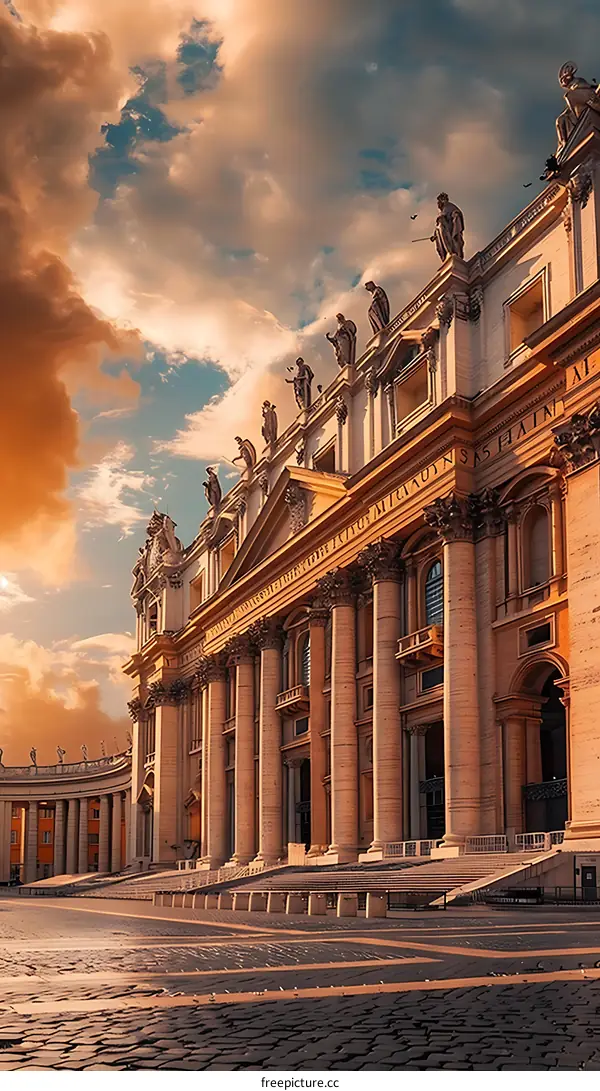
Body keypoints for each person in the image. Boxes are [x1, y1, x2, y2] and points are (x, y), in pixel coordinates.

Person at [556, 62, 600, 150]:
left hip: (586, 97)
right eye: (562, 79)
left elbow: (587, 88)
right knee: (560, 120)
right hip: (578, 103)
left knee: (569, 96)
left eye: (564, 77)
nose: (564, 80)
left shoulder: (578, 81)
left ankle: (579, 122)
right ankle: (564, 144)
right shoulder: (571, 88)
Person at [430, 192, 465, 262]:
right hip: (442, 230)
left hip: (449, 230)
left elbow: (456, 213)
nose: (438, 205)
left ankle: (451, 251)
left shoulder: (449, 207)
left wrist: (455, 215)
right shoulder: (443, 211)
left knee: (452, 241)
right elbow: (438, 225)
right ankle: (448, 253)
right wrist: (434, 236)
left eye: (439, 202)